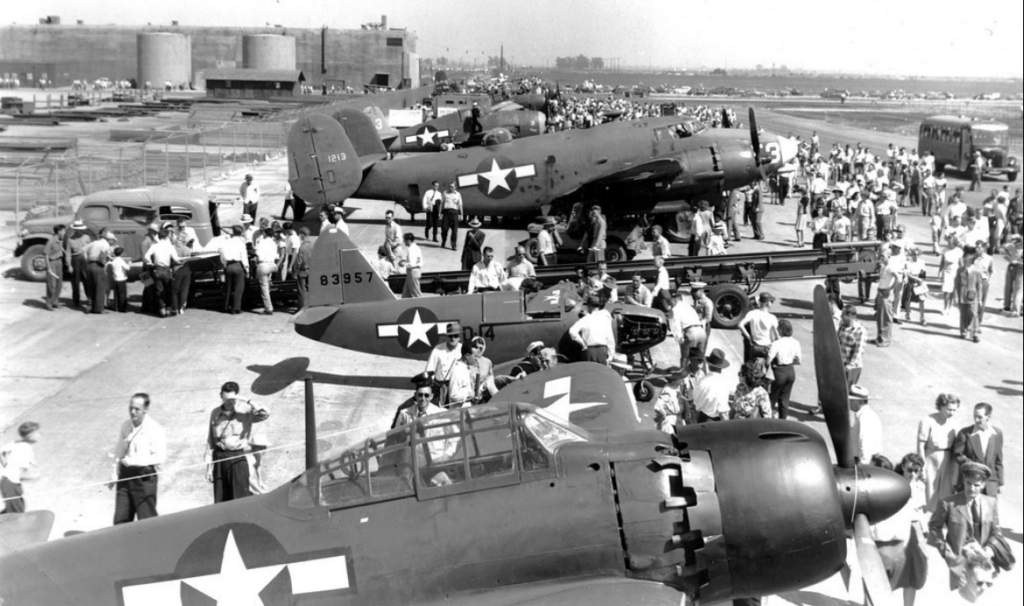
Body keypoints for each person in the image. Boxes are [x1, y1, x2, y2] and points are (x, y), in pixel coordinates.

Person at [928, 462, 1004, 591]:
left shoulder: (990, 503)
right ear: (964, 481)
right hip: (958, 560)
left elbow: (996, 531)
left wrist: (990, 548)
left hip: (982, 561)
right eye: (969, 483)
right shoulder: (948, 503)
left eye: (976, 485)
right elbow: (934, 527)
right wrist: (946, 551)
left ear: (983, 485)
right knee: (962, 596)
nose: (972, 488)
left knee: (978, 594)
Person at [872, 453, 930, 606]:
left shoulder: (920, 486)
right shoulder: (895, 483)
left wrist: (924, 529)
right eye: (910, 470)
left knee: (914, 571)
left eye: (917, 471)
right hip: (896, 529)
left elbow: (920, 510)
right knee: (889, 570)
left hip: (915, 529)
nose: (913, 474)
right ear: (903, 467)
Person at [205, 382, 269, 503]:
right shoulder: (215, 413)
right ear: (221, 396)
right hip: (220, 457)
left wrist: (245, 400)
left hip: (237, 457)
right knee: (221, 497)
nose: (229, 403)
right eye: (226, 399)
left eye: (232, 399)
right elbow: (210, 441)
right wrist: (209, 468)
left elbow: (265, 413)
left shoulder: (245, 412)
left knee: (240, 495)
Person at [108, 393, 165, 524]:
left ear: (145, 409)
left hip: (143, 479)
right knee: (120, 520)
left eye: (137, 409)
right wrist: (114, 474)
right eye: (130, 408)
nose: (132, 412)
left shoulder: (155, 429)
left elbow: (159, 457)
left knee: (147, 521)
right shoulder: (125, 426)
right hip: (125, 477)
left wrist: (133, 462)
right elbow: (119, 452)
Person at [919, 393, 962, 512]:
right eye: (949, 409)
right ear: (941, 406)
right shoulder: (927, 420)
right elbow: (921, 445)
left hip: (947, 459)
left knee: (946, 490)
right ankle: (926, 517)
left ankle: (942, 519)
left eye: (954, 410)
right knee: (929, 489)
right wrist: (921, 465)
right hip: (930, 457)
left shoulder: (955, 423)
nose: (952, 413)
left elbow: (958, 444)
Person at [953, 403, 1003, 497]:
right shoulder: (965, 433)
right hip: (970, 482)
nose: (976, 420)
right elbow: (958, 455)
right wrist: (974, 465)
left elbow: (998, 460)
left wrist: (1001, 482)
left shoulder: (997, 433)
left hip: (990, 484)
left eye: (980, 417)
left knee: (989, 510)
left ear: (988, 417)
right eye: (974, 416)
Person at [0, 422, 40, 514]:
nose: (39, 435)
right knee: (15, 513)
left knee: (16, 509)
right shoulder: (25, 450)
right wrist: (34, 476)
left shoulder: (17, 443)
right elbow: (22, 473)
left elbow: (1, 452)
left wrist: (5, 465)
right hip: (11, 484)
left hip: (9, 482)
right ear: (30, 436)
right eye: (37, 433)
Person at [767, 319, 801, 419]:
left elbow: (768, 360)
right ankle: (783, 421)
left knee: (771, 399)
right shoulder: (796, 342)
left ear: (781, 330)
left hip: (779, 372)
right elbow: (798, 360)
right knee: (784, 400)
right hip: (790, 371)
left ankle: (767, 420)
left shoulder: (777, 343)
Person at [569, 295, 616, 365]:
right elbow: (610, 339)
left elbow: (572, 331)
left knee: (590, 374)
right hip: (602, 351)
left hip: (589, 351)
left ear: (590, 306)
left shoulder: (585, 319)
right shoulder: (606, 318)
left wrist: (583, 344)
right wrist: (611, 355)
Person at [425, 323, 463, 404]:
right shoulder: (438, 350)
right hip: (441, 387)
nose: (453, 338)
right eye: (450, 336)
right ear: (446, 336)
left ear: (459, 337)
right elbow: (429, 370)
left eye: (455, 336)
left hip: (457, 388)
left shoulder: (462, 349)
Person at [692, 349, 733, 422]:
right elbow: (722, 409)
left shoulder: (702, 382)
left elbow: (695, 401)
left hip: (702, 418)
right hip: (716, 420)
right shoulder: (725, 383)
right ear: (721, 367)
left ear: (709, 366)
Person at [670, 287, 706, 369]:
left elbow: (676, 325)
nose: (670, 304)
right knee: (699, 357)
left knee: (685, 357)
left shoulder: (675, 309)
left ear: (675, 300)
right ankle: (701, 375)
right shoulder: (689, 307)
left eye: (671, 301)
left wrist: (679, 339)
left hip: (691, 333)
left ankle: (683, 377)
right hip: (702, 332)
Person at [738, 292, 778, 363]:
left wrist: (749, 338)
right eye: (771, 302)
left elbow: (740, 325)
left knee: (751, 367)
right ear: (768, 303)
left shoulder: (752, 313)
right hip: (766, 348)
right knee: (763, 370)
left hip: (754, 346)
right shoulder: (772, 318)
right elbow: (776, 336)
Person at [83, 229, 116, 314]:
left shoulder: (95, 242)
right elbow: (103, 253)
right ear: (108, 239)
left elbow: (83, 249)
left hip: (89, 265)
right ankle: (98, 308)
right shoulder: (105, 244)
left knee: (91, 287)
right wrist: (103, 262)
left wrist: (87, 259)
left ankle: (90, 305)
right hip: (98, 266)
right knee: (100, 288)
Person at [219, 225, 249, 315]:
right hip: (238, 265)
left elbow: (222, 255)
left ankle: (226, 305)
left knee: (228, 287)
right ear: (241, 233)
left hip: (229, 265)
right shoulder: (241, 243)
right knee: (238, 288)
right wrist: (247, 269)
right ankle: (236, 307)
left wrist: (225, 265)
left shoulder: (227, 242)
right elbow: (244, 257)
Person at [850, 385, 882, 464]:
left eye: (852, 400)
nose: (849, 402)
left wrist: (863, 467)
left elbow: (865, 445)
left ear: (860, 402)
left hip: (866, 462)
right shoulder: (868, 415)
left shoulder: (864, 418)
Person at [64, 219, 92, 308]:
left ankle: (90, 299)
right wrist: (69, 265)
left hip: (85, 260)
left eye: (79, 229)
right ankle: (76, 301)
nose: (78, 230)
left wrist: (90, 261)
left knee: (87, 280)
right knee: (75, 282)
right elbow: (68, 253)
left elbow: (91, 250)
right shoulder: (70, 239)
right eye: (76, 229)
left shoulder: (87, 237)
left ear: (82, 229)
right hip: (75, 260)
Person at [254, 227, 279, 315]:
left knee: (264, 288)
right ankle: (269, 302)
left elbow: (257, 255)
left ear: (265, 234)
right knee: (267, 284)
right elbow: (276, 256)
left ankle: (268, 308)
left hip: (263, 265)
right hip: (272, 265)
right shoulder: (274, 243)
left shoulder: (261, 242)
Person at [901, 248, 928, 325]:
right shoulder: (908, 263)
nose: (916, 256)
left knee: (922, 300)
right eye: (914, 254)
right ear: (911, 255)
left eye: (917, 254)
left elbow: (923, 274)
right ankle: (908, 314)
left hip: (919, 282)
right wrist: (916, 278)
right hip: (911, 282)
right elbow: (908, 274)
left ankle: (922, 318)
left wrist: (920, 280)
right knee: (908, 299)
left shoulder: (922, 262)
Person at [43, 225, 65, 310]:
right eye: (63, 231)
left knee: (59, 283)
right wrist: (48, 268)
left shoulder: (60, 240)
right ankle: (49, 303)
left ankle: (55, 301)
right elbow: (46, 254)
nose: (64, 233)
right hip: (52, 263)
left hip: (59, 262)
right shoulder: (51, 241)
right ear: (59, 231)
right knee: (51, 284)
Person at [291, 227, 314, 310]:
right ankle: (311, 307)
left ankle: (301, 308)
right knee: (311, 289)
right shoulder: (313, 245)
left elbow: (299, 261)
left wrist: (295, 272)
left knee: (301, 291)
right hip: (312, 270)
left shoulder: (302, 247)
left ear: (301, 235)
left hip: (303, 271)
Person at [1002, 235, 1023, 316]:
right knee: (1008, 287)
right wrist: (1009, 257)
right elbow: (1002, 248)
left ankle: (1016, 310)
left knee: (1018, 290)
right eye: (1014, 241)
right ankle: (1006, 305)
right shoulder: (1012, 246)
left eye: (1017, 241)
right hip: (1011, 267)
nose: (1016, 243)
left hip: (1021, 269)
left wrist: (1018, 262)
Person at [440, 181, 463, 250]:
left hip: (455, 213)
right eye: (449, 186)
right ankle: (443, 241)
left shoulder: (458, 194)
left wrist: (461, 214)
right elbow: (441, 203)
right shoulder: (445, 193)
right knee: (444, 229)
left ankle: (453, 244)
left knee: (454, 230)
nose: (450, 188)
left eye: (452, 186)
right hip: (446, 212)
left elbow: (460, 205)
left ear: (455, 187)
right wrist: (440, 213)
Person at [109, 246, 131, 313]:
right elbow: (127, 268)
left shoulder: (114, 260)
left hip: (115, 278)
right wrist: (129, 263)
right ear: (121, 254)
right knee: (122, 294)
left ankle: (116, 307)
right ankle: (122, 308)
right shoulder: (121, 260)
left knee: (116, 294)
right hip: (121, 278)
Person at [401, 233, 423, 298]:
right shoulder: (417, 248)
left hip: (412, 271)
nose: (404, 242)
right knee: (406, 293)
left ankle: (420, 305)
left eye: (404, 240)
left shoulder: (410, 249)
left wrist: (403, 264)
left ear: (408, 240)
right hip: (415, 271)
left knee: (415, 293)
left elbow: (412, 263)